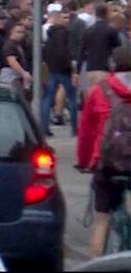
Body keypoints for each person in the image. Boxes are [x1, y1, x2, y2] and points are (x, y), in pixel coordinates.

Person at [78, 47, 131, 258]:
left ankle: (96, 265)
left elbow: (86, 130)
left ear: (112, 64)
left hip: (107, 162)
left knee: (101, 220)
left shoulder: (100, 89)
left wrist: (84, 161)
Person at [43, 9, 78, 137]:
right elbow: (65, 52)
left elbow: (46, 50)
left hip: (52, 69)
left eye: (68, 17)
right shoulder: (65, 33)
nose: (67, 20)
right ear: (57, 18)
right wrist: (71, 67)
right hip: (64, 70)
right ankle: (75, 128)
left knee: (47, 98)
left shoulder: (50, 33)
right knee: (72, 98)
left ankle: (44, 127)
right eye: (64, 17)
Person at [0, 23, 32, 98]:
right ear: (11, 32)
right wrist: (24, 73)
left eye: (23, 32)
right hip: (10, 75)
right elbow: (12, 61)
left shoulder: (18, 44)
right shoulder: (10, 44)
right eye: (18, 32)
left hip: (16, 74)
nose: (21, 34)